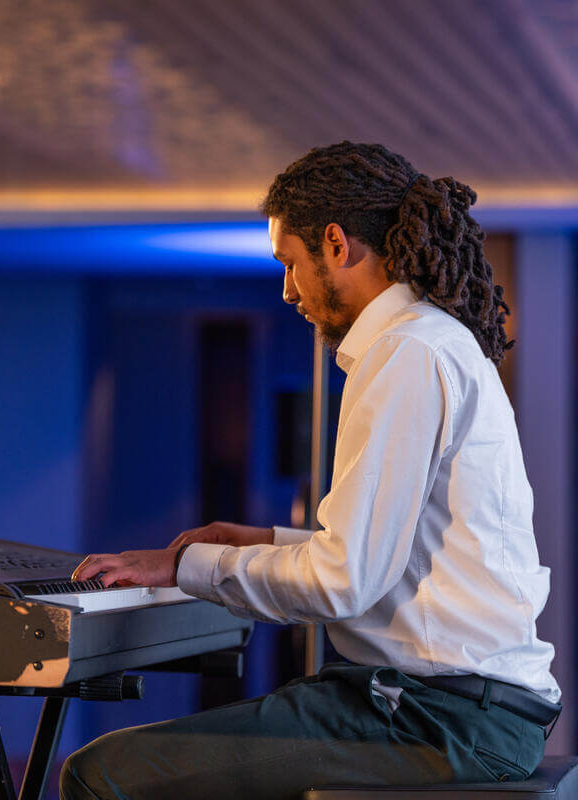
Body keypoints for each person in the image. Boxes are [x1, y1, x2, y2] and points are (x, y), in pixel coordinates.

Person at [62, 142, 561, 800]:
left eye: (290, 264)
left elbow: (345, 583)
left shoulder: (405, 352)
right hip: (449, 709)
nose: (287, 290)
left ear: (334, 244)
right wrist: (266, 543)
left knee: (102, 775)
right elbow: (396, 559)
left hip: (437, 720)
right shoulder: (428, 341)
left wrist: (188, 568)